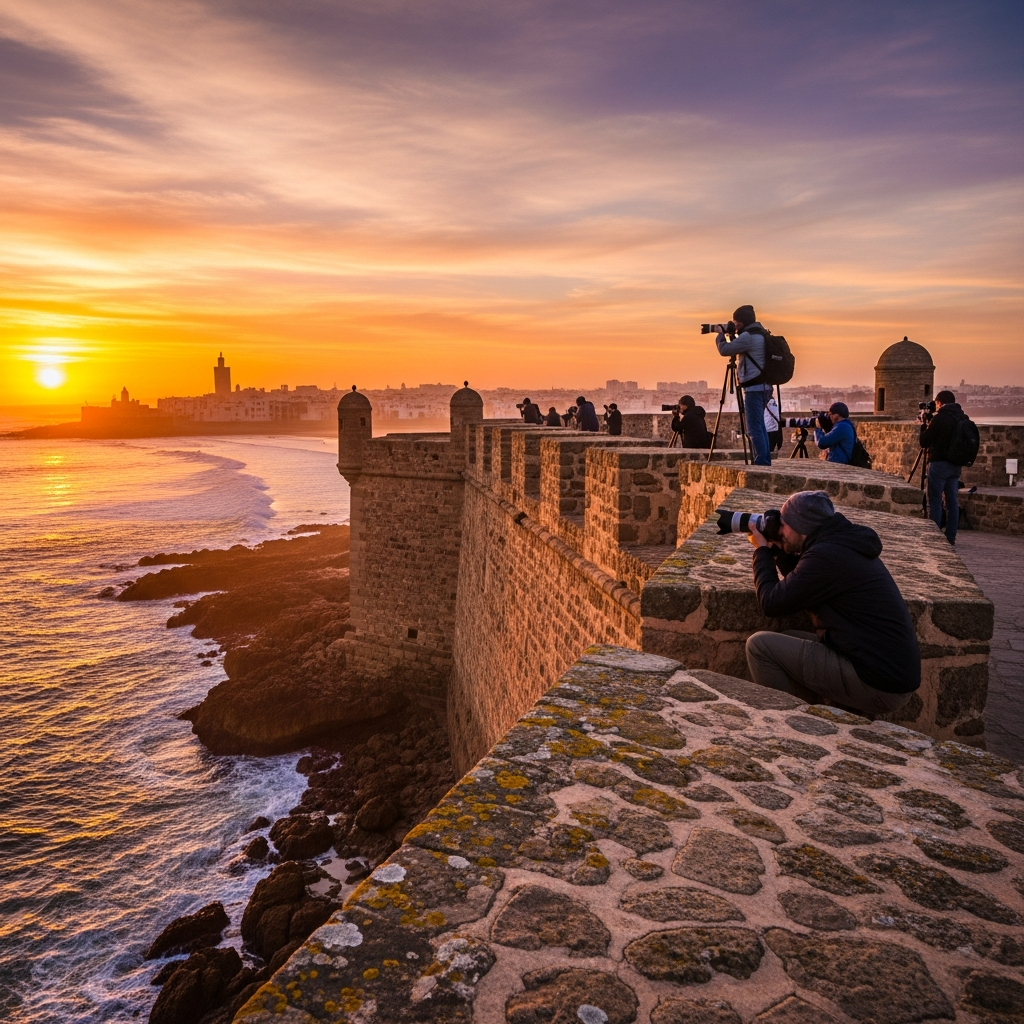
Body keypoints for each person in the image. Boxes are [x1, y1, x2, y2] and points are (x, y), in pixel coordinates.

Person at [744, 490, 920, 714]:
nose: (781, 530)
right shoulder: (839, 544)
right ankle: (809, 716)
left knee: (759, 646)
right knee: (787, 636)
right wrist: (779, 550)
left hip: (879, 685)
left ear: (802, 526)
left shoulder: (825, 556)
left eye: (784, 525)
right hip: (884, 671)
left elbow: (771, 602)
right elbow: (801, 586)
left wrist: (761, 552)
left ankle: (786, 723)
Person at [715, 305, 771, 465]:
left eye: (736, 323)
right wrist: (732, 335)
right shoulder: (759, 333)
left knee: (753, 428)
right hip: (764, 386)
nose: (734, 325)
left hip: (754, 388)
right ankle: (764, 460)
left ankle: (762, 463)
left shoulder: (749, 336)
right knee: (760, 426)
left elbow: (725, 350)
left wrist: (720, 335)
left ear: (741, 323)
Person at [920, 390, 966, 544]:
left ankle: (934, 537)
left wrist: (924, 425)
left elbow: (924, 441)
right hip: (955, 465)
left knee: (934, 500)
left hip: (939, 463)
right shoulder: (962, 417)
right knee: (952, 501)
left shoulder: (940, 418)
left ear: (939, 402)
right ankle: (950, 537)